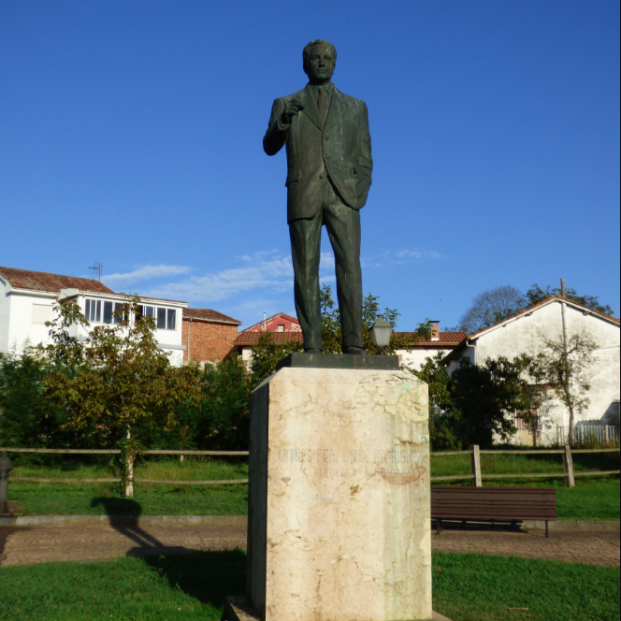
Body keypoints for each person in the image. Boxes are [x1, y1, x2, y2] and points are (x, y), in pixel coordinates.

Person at [263, 39, 373, 354]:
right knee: (306, 269)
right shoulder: (285, 102)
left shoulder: (356, 107)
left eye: (328, 58)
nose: (322, 62)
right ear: (305, 63)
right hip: (303, 193)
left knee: (350, 265)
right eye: (316, 58)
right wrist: (284, 120)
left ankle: (353, 341)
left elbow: (364, 156)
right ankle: (312, 343)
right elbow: (269, 146)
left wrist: (361, 187)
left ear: (335, 63)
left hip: (345, 196)